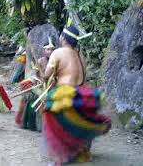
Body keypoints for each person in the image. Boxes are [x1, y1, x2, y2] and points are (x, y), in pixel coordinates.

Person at [42, 26, 111, 165]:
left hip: (65, 94)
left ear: (63, 38)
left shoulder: (58, 52)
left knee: (53, 120)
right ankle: (80, 151)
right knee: (80, 122)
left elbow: (46, 75)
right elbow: (83, 76)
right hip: (81, 94)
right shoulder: (80, 55)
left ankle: (61, 156)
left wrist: (47, 79)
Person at [15, 39, 55, 131]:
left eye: (52, 49)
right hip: (40, 86)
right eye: (48, 49)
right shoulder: (40, 61)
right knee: (33, 97)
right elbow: (33, 73)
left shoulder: (56, 61)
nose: (50, 51)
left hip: (52, 86)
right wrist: (37, 80)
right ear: (44, 51)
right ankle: (38, 125)